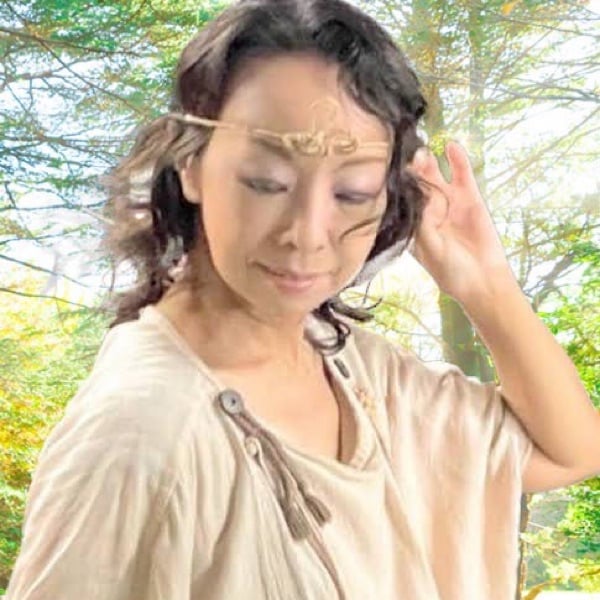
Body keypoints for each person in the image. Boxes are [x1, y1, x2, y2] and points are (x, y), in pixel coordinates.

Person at [6, 0, 599, 598]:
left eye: (352, 192)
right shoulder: (139, 436)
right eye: (267, 183)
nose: (307, 233)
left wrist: (485, 284)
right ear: (190, 164)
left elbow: (569, 451)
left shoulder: (352, 369)